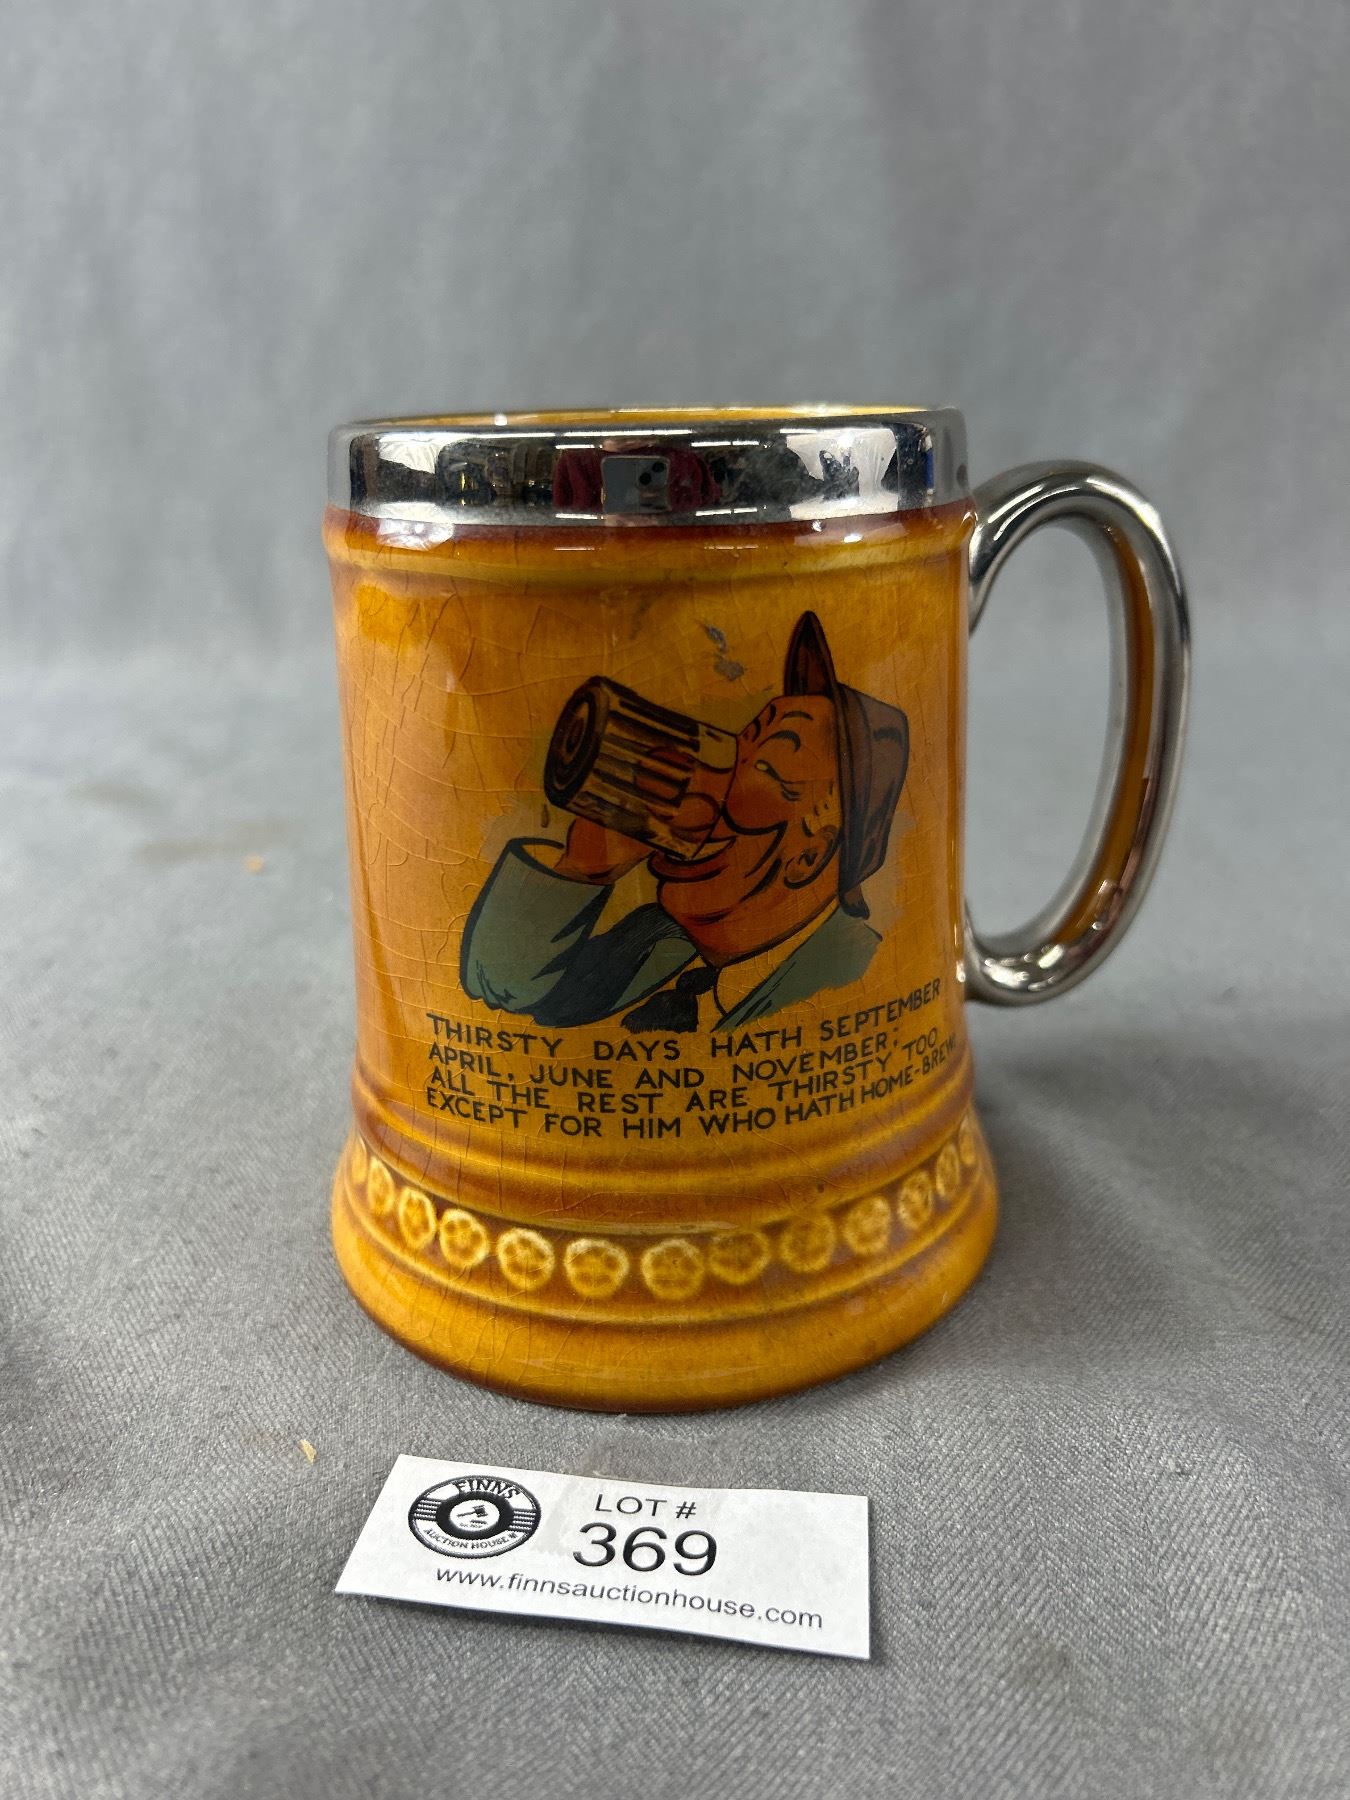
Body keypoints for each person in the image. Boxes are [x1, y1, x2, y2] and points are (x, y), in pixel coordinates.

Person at [460, 613, 909, 1032]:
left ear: (808, 856)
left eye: (764, 770)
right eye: (736, 746)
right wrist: (580, 871)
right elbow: (502, 991)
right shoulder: (657, 939)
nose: (703, 778)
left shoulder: (853, 967)